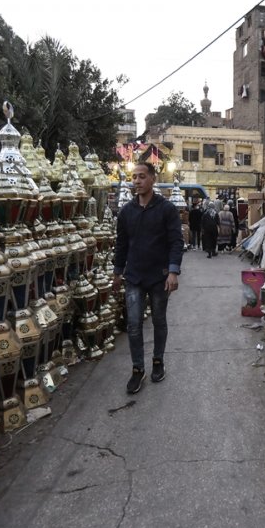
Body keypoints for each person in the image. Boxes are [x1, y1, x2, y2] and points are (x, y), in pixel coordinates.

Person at [113, 162, 184, 394]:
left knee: (159, 321)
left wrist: (173, 271)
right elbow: (121, 244)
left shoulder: (167, 209)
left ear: (153, 178)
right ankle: (138, 369)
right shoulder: (126, 212)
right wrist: (117, 272)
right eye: (134, 177)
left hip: (159, 277)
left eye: (142, 176)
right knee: (133, 325)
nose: (137, 181)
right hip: (134, 277)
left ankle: (157, 361)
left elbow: (176, 241)